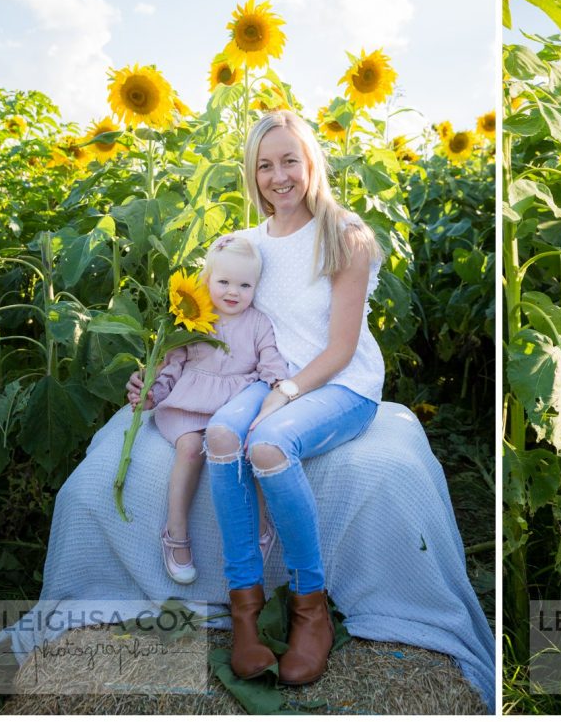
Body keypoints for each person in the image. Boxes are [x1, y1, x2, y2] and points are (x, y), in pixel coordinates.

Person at [127, 109, 384, 685]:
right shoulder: (245, 244)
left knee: (267, 446)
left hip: (338, 383)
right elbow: (206, 326)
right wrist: (158, 374)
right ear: (253, 175)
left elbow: (342, 348)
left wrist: (286, 394)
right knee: (221, 435)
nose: (279, 176)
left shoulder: (346, 238)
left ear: (311, 162)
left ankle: (309, 609)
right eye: (265, 166)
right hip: (264, 378)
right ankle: (245, 612)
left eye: (290, 160)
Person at [128, 234, 287, 585]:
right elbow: (172, 364)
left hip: (233, 405)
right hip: (189, 403)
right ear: (207, 281)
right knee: (189, 448)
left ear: (256, 287)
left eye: (244, 285)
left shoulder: (258, 323)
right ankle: (176, 533)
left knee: (248, 449)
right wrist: (153, 392)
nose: (233, 292)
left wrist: (278, 383)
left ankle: (258, 528)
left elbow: (270, 358)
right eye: (224, 282)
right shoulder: (194, 318)